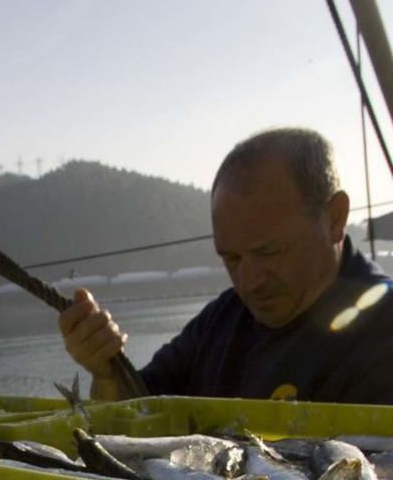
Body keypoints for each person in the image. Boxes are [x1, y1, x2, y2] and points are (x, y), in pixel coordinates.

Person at [59, 128, 393, 404]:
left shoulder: (383, 332)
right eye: (231, 258)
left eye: (270, 251)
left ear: (335, 218)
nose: (248, 282)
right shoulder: (222, 321)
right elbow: (134, 414)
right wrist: (106, 372)